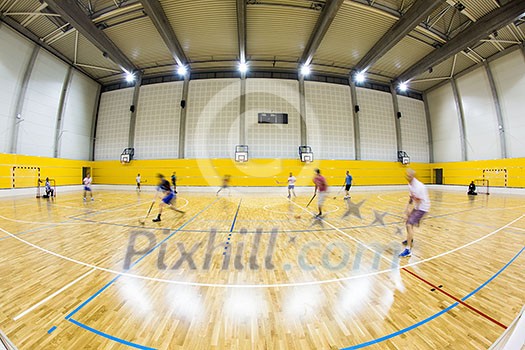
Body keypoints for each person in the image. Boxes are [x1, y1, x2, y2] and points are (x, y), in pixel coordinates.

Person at [399, 169, 430, 257]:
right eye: (406, 175)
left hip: (423, 208)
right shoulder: (410, 185)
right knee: (408, 223)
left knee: (409, 224)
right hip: (417, 207)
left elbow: (419, 200)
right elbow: (411, 198)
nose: (407, 177)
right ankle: (410, 239)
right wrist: (407, 210)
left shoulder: (419, 186)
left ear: (413, 176)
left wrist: (412, 214)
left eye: (409, 176)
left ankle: (408, 250)